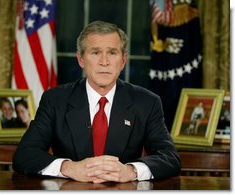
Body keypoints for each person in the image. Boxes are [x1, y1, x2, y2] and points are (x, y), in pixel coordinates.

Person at [13, 20, 180, 183]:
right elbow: (25, 154)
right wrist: (69, 167)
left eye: (112, 53)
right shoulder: (55, 100)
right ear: (81, 60)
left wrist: (130, 171)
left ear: (123, 61)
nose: (104, 62)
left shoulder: (147, 102)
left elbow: (170, 158)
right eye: (95, 52)